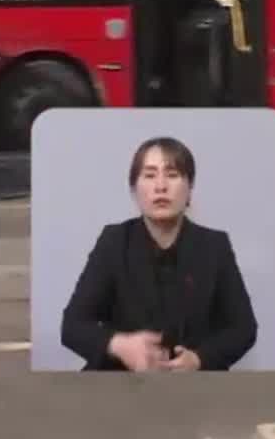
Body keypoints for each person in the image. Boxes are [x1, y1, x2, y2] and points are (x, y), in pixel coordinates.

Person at [59, 135, 257, 372]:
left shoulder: (214, 245)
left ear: (190, 188)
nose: (161, 186)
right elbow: (73, 326)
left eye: (172, 175)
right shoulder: (114, 241)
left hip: (195, 387)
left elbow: (243, 328)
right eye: (150, 175)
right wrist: (120, 345)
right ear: (134, 189)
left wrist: (200, 359)